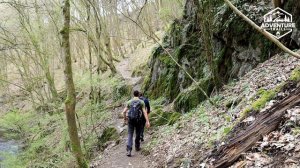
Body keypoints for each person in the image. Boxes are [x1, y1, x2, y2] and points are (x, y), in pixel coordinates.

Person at [122, 90, 150, 157]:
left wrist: (125, 119)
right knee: (138, 133)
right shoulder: (141, 102)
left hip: (130, 120)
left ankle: (129, 150)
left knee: (130, 134)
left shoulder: (129, 101)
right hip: (139, 120)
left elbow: (123, 112)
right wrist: (147, 121)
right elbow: (144, 112)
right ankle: (137, 147)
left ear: (133, 95)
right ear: (138, 95)